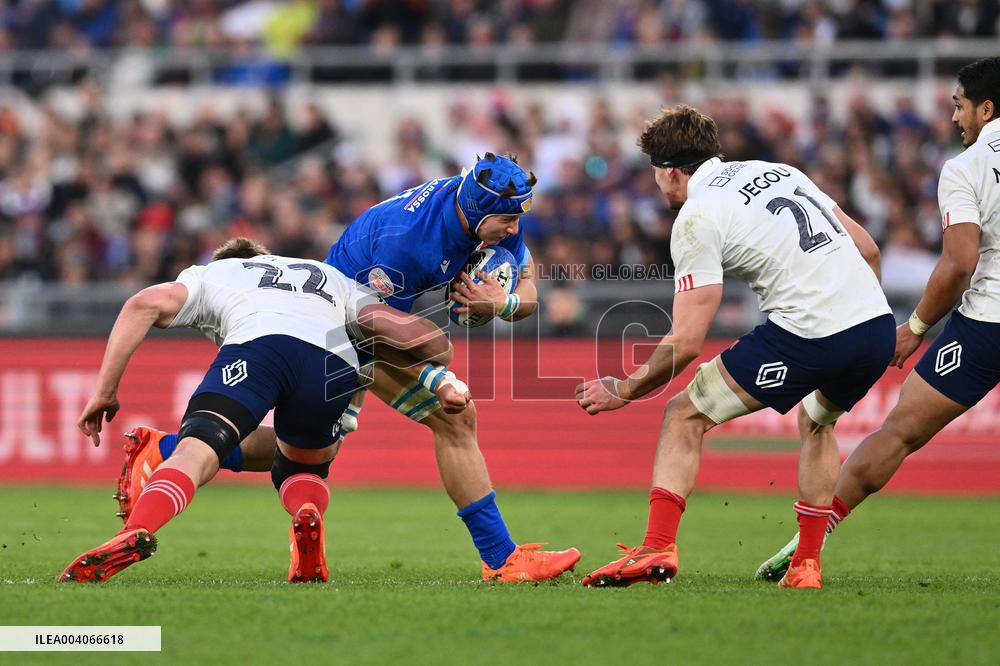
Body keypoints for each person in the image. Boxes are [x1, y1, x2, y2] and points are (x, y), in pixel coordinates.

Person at [112, 153, 581, 583]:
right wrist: (438, 379)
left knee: (312, 450)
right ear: (478, 213)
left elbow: (528, 292)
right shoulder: (410, 243)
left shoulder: (488, 207)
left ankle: (166, 451)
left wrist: (504, 302)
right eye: (508, 220)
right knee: (454, 417)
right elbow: (378, 331)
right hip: (341, 324)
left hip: (358, 317)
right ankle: (502, 559)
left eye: (520, 218)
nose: (516, 230)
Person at [575, 105, 893, 589]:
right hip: (875, 324)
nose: (657, 185)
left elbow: (685, 342)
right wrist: (860, 321)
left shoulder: (696, 218)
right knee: (818, 420)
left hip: (810, 332)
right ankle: (806, 564)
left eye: (655, 175)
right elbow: (867, 248)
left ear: (670, 172)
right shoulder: (778, 171)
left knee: (683, 414)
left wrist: (626, 388)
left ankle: (657, 548)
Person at [61, 237, 464, 583]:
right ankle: (307, 512)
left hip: (260, 348)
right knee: (303, 467)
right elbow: (407, 334)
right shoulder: (330, 277)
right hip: (333, 364)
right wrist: (442, 363)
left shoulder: (213, 274)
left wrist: (105, 392)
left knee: (197, 451)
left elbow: (143, 303)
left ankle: (136, 531)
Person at [756, 56, 1000, 581]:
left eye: (959, 106)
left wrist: (913, 328)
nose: (955, 119)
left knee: (897, 435)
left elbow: (960, 262)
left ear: (986, 108)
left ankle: (807, 542)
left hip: (988, 324)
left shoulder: (967, 167)